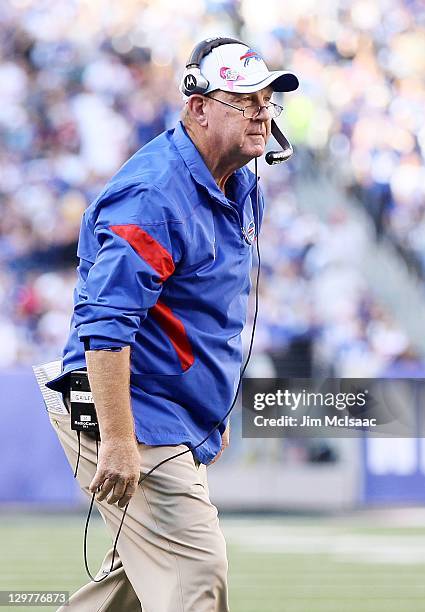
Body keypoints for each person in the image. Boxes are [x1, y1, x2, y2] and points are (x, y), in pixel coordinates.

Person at [45, 37, 298, 612]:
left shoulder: (239, 180)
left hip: (167, 409)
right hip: (131, 409)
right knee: (195, 573)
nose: (261, 112)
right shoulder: (154, 195)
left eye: (267, 100)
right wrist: (116, 437)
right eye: (243, 99)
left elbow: (207, 310)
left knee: (130, 590)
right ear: (198, 106)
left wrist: (209, 407)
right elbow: (105, 325)